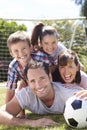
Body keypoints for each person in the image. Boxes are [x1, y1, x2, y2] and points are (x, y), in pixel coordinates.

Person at [0, 61, 84, 127]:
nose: (38, 85)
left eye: (42, 78)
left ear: (50, 77)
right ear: (28, 82)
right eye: (32, 81)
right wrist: (31, 123)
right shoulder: (26, 94)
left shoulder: (69, 95)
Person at [5, 31, 42, 117]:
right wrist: (6, 113)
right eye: (16, 51)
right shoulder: (13, 66)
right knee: (21, 87)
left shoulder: (40, 57)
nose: (21, 53)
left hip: (45, 82)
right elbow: (10, 91)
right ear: (11, 54)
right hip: (29, 83)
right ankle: (21, 114)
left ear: (30, 47)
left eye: (23, 48)